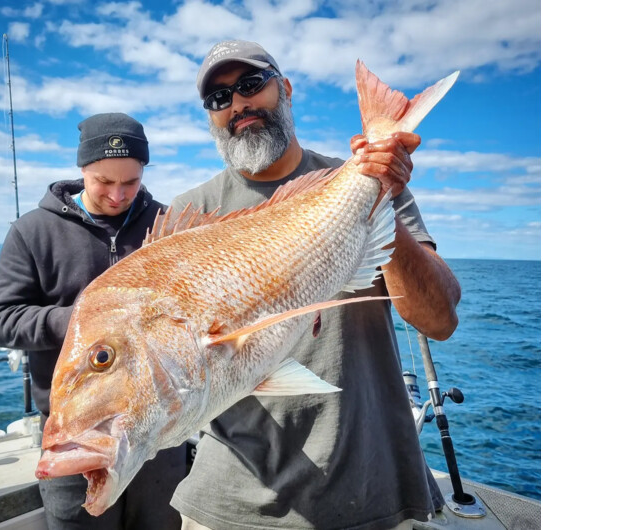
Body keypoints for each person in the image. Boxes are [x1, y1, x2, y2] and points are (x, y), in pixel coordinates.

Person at [168, 41, 462, 530]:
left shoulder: (368, 177)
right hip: (229, 501)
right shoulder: (189, 216)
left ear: (284, 89)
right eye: (219, 99)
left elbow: (439, 319)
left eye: (249, 85)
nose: (237, 104)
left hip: (369, 489)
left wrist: (380, 197)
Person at [0, 113, 186, 529]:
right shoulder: (33, 231)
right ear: (82, 170)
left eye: (130, 182)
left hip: (160, 432)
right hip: (79, 428)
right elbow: (1, 319)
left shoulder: (167, 226)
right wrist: (82, 321)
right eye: (103, 181)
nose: (117, 194)